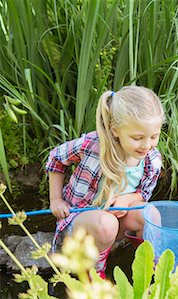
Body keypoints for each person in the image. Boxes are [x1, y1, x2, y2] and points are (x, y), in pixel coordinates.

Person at [46, 86, 164, 278]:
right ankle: (94, 272)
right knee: (106, 224)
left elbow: (144, 194)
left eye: (154, 136)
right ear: (115, 130)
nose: (146, 145)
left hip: (117, 221)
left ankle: (146, 266)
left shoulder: (151, 158)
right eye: (137, 138)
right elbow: (56, 159)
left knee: (151, 214)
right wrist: (56, 200)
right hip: (83, 222)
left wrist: (127, 200)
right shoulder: (93, 145)